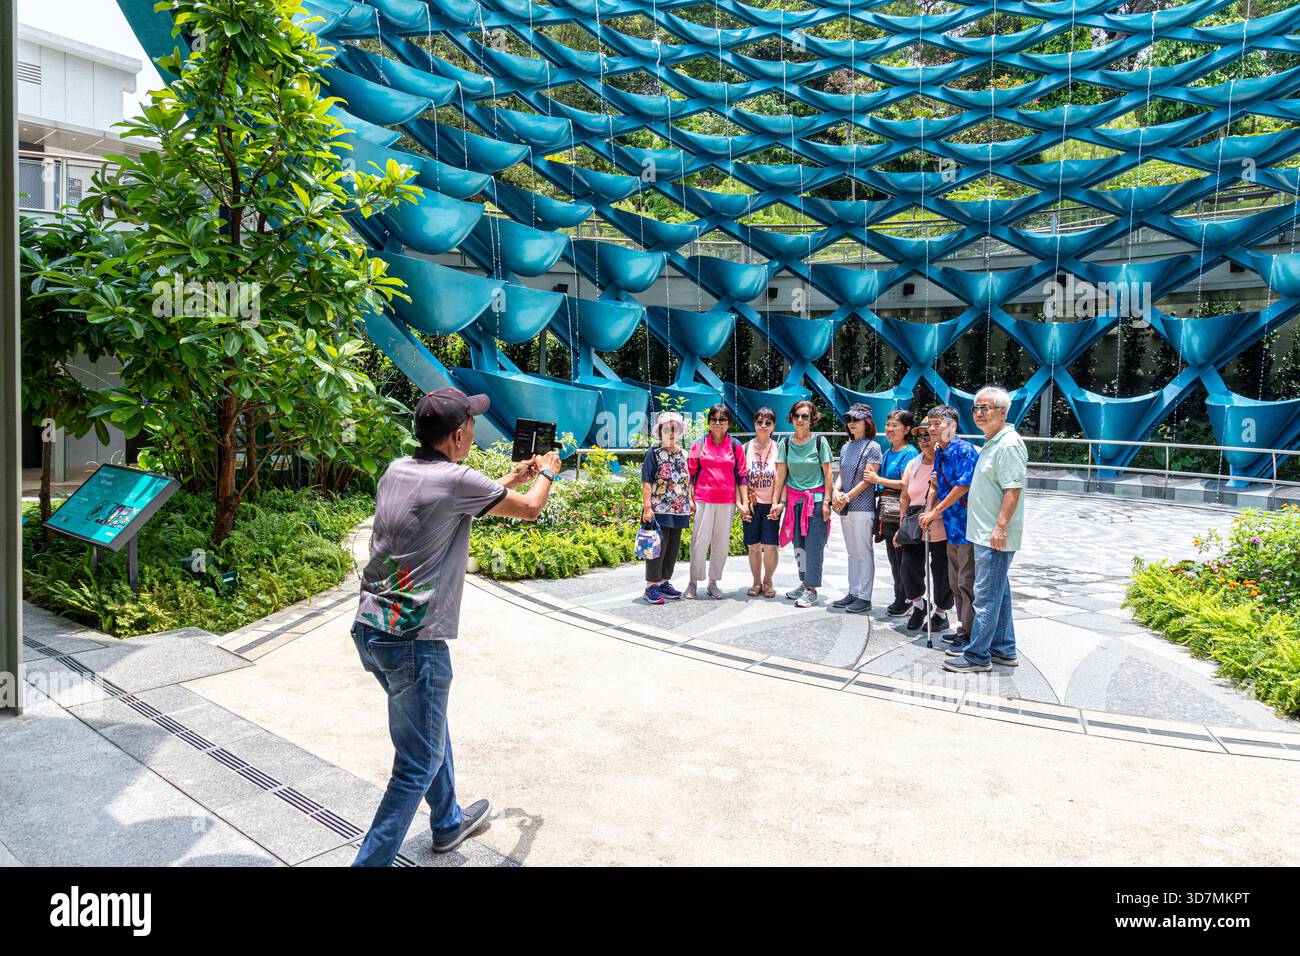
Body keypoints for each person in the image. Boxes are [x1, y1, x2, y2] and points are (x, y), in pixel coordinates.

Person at [351, 387, 562, 867]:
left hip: (371, 627)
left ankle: (447, 823)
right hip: (413, 640)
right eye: (469, 422)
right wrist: (547, 472)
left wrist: (512, 476)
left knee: (428, 726)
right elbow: (529, 509)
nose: (472, 428)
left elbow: (458, 497)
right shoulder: (455, 480)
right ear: (458, 435)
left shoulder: (398, 470)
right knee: (417, 763)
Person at [944, 387, 1028, 673]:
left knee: (986, 596)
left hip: (993, 535)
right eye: (976, 408)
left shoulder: (1008, 444)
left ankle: (978, 656)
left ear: (1002, 412)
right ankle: (1004, 649)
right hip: (983, 533)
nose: (979, 413)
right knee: (998, 593)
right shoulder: (993, 442)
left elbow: (1012, 490)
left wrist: (1001, 528)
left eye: (986, 408)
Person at [920, 404, 980, 651]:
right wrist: (929, 508)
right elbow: (936, 482)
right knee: (955, 580)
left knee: (967, 580)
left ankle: (970, 633)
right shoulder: (939, 450)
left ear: (952, 426)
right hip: (950, 526)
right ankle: (962, 628)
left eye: (938, 423)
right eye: (930, 423)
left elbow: (962, 486)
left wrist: (936, 511)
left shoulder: (963, 450)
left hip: (967, 525)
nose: (932, 428)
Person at [770, 399, 834, 608]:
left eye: (805, 416)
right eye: (797, 416)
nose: (800, 420)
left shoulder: (819, 442)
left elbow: (828, 474)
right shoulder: (785, 443)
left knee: (814, 546)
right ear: (791, 418)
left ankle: (812, 589)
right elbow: (780, 475)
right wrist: (778, 502)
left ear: (812, 419)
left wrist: (827, 502)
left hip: (814, 502)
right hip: (794, 502)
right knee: (799, 545)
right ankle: (804, 582)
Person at [895, 418, 952, 632]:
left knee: (941, 570)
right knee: (908, 567)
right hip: (914, 520)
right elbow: (904, 496)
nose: (923, 441)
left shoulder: (946, 461)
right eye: (919, 437)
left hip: (941, 521)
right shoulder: (914, 463)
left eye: (927, 436)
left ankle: (941, 612)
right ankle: (919, 604)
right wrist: (902, 522)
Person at [686, 403, 748, 599]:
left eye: (722, 419)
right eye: (714, 419)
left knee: (720, 544)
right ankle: (693, 583)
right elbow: (690, 473)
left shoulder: (735, 445)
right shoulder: (699, 443)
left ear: (729, 423)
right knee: (698, 542)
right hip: (703, 499)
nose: (718, 423)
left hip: (727, 501)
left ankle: (713, 583)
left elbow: (742, 476)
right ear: (709, 422)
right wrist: (690, 499)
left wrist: (744, 502)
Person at [864, 409, 919, 617]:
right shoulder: (888, 452)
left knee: (904, 558)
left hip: (901, 510)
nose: (889, 429)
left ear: (907, 429)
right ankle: (900, 595)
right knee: (894, 558)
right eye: (888, 425)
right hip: (887, 511)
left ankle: (908, 598)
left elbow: (906, 484)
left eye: (895, 425)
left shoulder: (910, 453)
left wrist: (878, 480)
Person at [831, 403, 881, 613]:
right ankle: (853, 591)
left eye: (856, 420)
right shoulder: (846, 447)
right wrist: (835, 491)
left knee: (863, 551)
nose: (852, 424)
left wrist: (847, 497)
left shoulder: (873, 447)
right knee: (851, 552)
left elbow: (869, 479)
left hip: (862, 506)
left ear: (866, 422)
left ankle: (865, 596)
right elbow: (841, 474)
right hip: (846, 505)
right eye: (849, 420)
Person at [640, 411, 692, 604]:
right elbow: (647, 481)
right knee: (657, 548)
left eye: (675, 428)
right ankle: (651, 586)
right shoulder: (653, 453)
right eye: (667, 429)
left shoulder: (684, 454)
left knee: (672, 548)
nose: (671, 432)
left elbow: (687, 480)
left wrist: (691, 500)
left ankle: (664, 582)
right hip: (659, 509)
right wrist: (647, 507)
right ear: (660, 431)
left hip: (679, 509)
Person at [740, 406, 780, 598]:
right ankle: (756, 582)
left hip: (771, 504)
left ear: (773, 426)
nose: (763, 426)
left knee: (770, 545)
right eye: (759, 422)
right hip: (751, 505)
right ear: (754, 424)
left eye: (768, 423)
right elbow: (738, 479)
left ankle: (768, 581)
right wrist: (741, 504)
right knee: (754, 545)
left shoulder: (779, 448)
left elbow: (783, 478)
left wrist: (779, 502)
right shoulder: (745, 448)